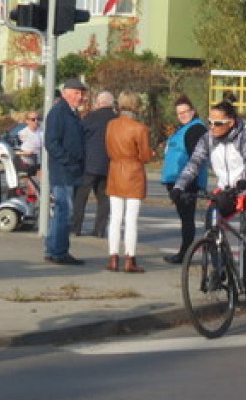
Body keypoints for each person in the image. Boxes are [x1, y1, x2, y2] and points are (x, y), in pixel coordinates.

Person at [171, 100, 246, 282]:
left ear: (231, 122)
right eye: (210, 122)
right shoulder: (208, 139)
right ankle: (219, 269)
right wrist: (180, 186)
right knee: (211, 223)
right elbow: (194, 163)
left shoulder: (245, 136)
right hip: (227, 190)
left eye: (218, 123)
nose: (212, 127)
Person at [104, 91, 153, 273]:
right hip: (133, 172)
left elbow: (108, 148)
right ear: (136, 106)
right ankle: (129, 259)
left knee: (115, 218)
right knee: (131, 219)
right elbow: (146, 156)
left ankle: (113, 258)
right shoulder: (140, 128)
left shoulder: (111, 125)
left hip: (115, 169)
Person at [43, 78, 88, 265]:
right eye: (76, 93)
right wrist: (69, 161)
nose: (81, 97)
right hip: (62, 171)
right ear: (65, 93)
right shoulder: (59, 113)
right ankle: (59, 252)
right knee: (65, 211)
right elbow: (51, 143)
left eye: (82, 93)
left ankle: (54, 249)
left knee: (62, 211)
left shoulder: (71, 113)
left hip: (70, 170)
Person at [161, 97, 209, 264]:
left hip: (186, 182)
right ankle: (184, 252)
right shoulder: (184, 128)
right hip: (176, 180)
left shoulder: (195, 129)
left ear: (193, 111)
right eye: (179, 113)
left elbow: (196, 159)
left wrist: (188, 183)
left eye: (185, 112)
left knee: (187, 219)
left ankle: (185, 254)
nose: (182, 115)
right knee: (184, 218)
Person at [72, 90, 116, 238]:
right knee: (104, 199)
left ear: (99, 103)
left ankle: (76, 228)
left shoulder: (90, 118)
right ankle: (99, 230)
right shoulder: (116, 119)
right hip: (108, 165)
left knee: (80, 197)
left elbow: (80, 137)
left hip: (89, 164)